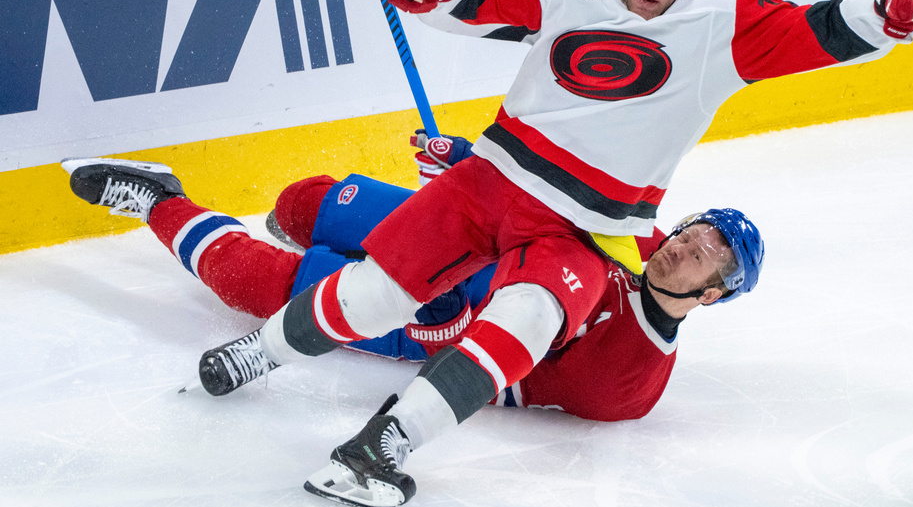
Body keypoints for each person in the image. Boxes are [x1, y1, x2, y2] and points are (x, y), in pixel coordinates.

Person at [71, 0, 913, 507]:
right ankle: (262, 354)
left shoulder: (724, 19)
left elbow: (820, 30)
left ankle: (377, 450)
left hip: (587, 225)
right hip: (487, 179)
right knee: (369, 293)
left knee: (533, 315)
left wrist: (896, 4)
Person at [61, 135, 762, 426]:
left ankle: (158, 198)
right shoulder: (634, 232)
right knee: (306, 203)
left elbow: (496, 371)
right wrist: (472, 173)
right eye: (691, 232)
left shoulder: (628, 384)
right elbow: (546, 197)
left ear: (708, 297)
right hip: (480, 247)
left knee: (260, 284)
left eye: (703, 257)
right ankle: (308, 232)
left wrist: (449, 315)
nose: (681, 248)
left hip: (449, 318)